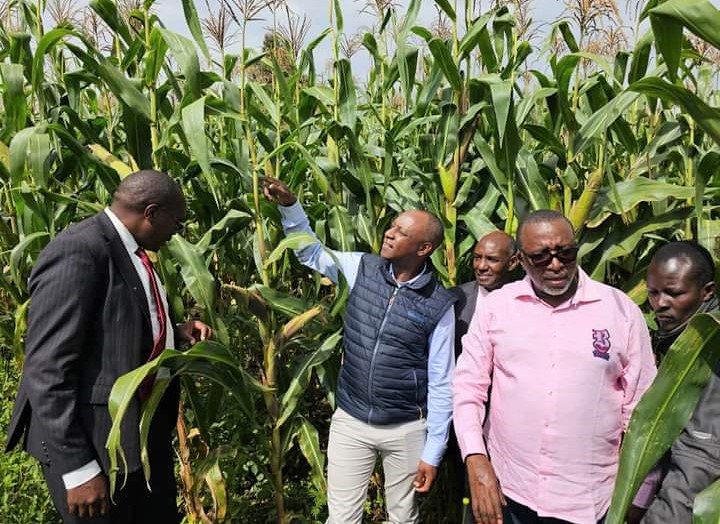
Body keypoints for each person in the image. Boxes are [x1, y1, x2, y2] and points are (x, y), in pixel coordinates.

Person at [5, 170, 212, 523]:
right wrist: (78, 468)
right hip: (95, 444)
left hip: (135, 442)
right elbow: (46, 368)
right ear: (151, 213)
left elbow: (112, 326)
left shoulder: (129, 250)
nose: (176, 234)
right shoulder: (80, 250)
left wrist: (174, 332)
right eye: (175, 224)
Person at [262, 176, 457, 524]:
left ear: (424, 249)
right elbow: (311, 252)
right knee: (341, 518)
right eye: (392, 226)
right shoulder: (361, 268)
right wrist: (290, 205)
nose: (389, 233)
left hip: (406, 428)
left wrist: (433, 451)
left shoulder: (438, 305)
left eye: (401, 232)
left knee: (402, 517)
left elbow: (442, 383)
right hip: (351, 420)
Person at [454, 209, 657, 524]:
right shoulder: (497, 307)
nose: (556, 264)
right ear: (520, 260)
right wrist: (475, 457)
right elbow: (468, 388)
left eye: (566, 253)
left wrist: (638, 494)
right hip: (510, 491)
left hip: (590, 500)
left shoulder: (620, 311)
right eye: (540, 257)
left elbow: (643, 408)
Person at [640, 241, 718, 523]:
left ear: (707, 291)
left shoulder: (710, 353)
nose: (660, 304)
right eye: (653, 292)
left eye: (674, 293)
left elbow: (700, 463)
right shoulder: (679, 338)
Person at [454, 231, 519, 356]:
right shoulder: (456, 299)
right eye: (477, 258)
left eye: (492, 259)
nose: (481, 266)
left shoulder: (528, 301)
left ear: (512, 263)